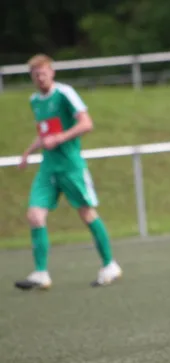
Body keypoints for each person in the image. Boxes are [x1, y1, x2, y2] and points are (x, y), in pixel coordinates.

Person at [15, 54, 121, 290]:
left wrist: (60, 138)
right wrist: (28, 152)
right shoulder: (35, 101)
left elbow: (86, 123)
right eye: (35, 75)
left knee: (86, 213)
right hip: (48, 167)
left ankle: (109, 265)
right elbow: (45, 133)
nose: (40, 78)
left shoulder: (64, 93)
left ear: (51, 72)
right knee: (35, 215)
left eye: (43, 73)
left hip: (70, 166)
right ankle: (41, 273)